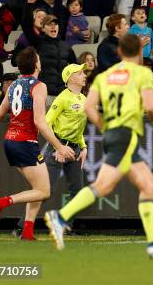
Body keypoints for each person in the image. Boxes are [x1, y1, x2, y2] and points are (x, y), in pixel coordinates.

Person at [44, 34, 153, 258]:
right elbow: (150, 105)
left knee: (148, 184)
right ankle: (60, 218)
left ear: (119, 52)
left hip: (114, 135)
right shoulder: (142, 73)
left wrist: (104, 127)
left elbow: (89, 108)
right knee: (103, 186)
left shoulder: (105, 76)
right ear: (139, 52)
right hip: (126, 135)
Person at [0, 47, 74, 240]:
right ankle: (3, 202)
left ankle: (27, 232)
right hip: (25, 143)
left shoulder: (15, 85)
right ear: (36, 64)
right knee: (44, 191)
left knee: (37, 189)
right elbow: (40, 121)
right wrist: (59, 146)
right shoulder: (38, 86)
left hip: (10, 142)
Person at [15, 63, 89, 236]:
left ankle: (63, 225)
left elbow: (77, 129)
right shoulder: (63, 98)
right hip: (57, 148)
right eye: (80, 73)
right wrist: (58, 147)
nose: (84, 75)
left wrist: (83, 147)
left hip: (74, 149)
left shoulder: (83, 99)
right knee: (45, 190)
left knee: (78, 191)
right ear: (71, 78)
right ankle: (21, 226)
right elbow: (45, 123)